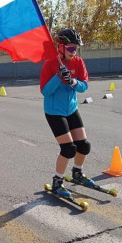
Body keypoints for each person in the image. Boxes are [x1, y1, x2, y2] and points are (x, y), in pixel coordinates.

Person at [40, 29, 93, 197]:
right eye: (70, 48)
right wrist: (57, 77)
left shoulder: (78, 62)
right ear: (60, 47)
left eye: (76, 48)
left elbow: (84, 86)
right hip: (54, 111)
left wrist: (73, 82)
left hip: (71, 109)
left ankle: (77, 173)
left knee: (84, 146)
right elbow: (45, 92)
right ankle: (57, 182)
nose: (74, 52)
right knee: (68, 148)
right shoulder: (50, 64)